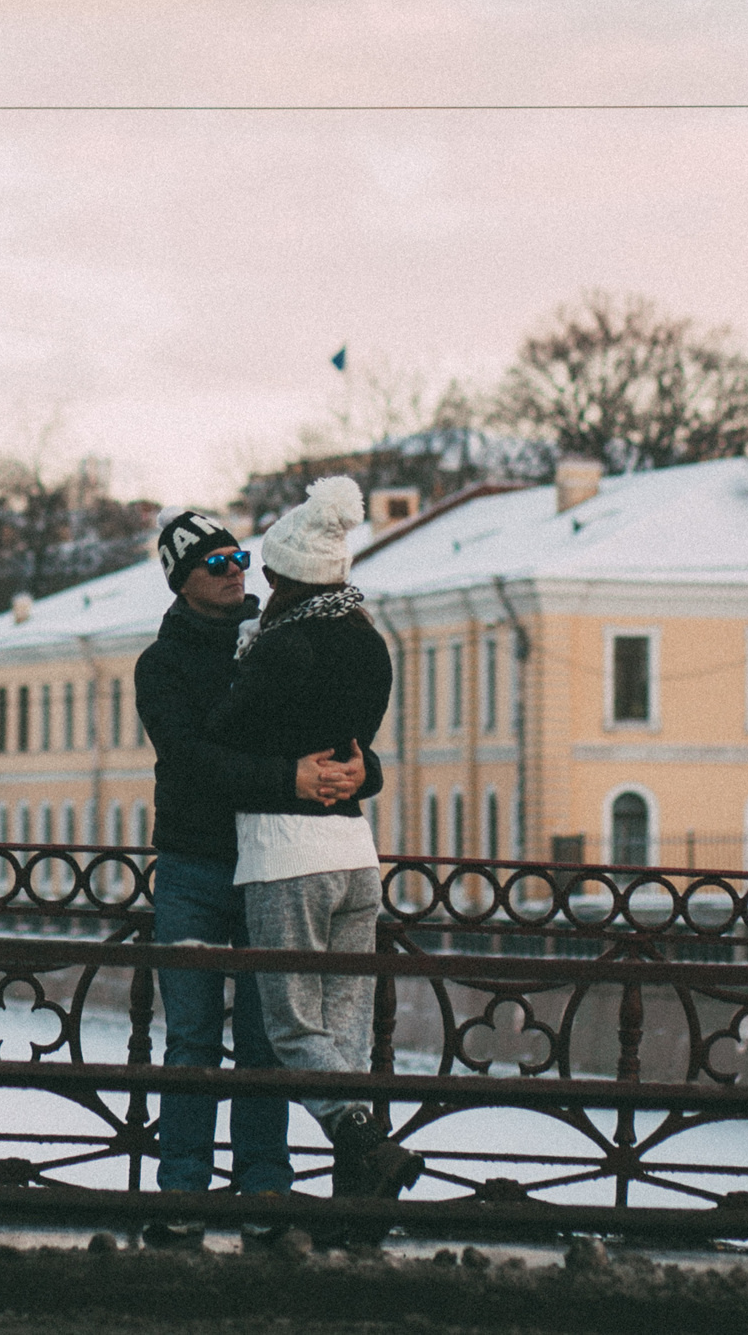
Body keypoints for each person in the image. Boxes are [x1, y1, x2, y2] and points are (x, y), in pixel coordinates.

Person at [134, 507, 361, 1244]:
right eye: (215, 562)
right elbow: (193, 763)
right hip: (196, 867)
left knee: (265, 1041)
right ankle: (181, 1198)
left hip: (274, 866)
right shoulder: (161, 665)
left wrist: (367, 771)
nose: (236, 570)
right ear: (181, 580)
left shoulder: (283, 639)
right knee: (194, 1038)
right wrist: (289, 779)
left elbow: (343, 730)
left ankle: (265, 1194)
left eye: (238, 556)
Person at [207, 476, 420, 1210]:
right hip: (357, 858)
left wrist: (239, 663)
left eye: (267, 575)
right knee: (347, 1038)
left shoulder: (278, 649)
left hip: (286, 858)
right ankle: (358, 1205)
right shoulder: (372, 645)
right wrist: (362, 776)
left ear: (285, 576)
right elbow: (356, 755)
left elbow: (221, 745)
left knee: (295, 1029)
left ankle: (363, 1141)